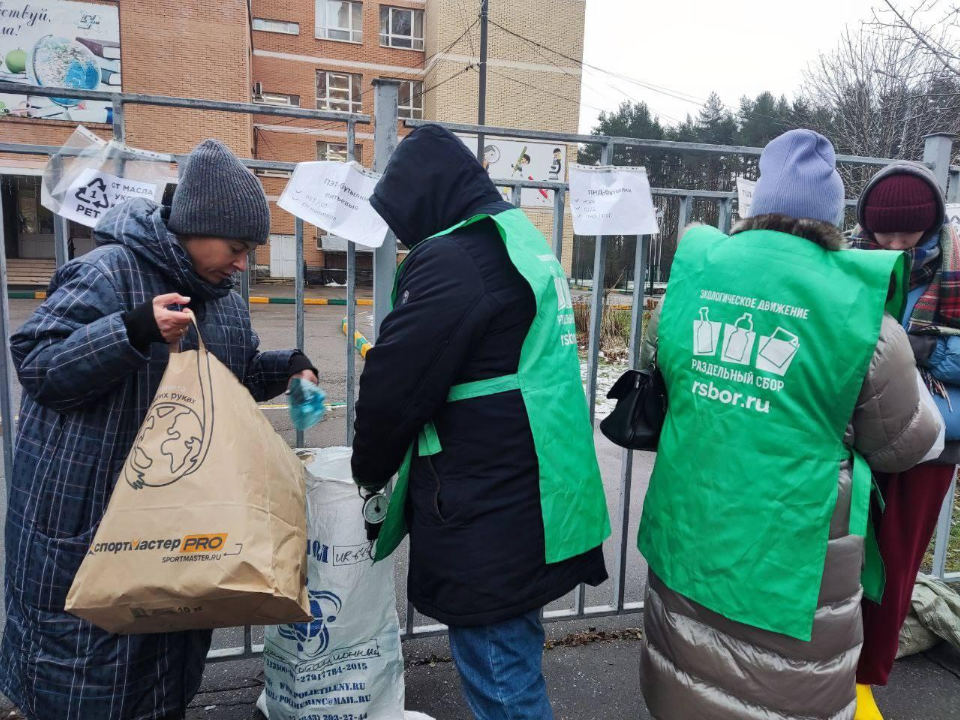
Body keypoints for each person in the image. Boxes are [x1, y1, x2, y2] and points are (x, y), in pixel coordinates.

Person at [0, 139, 318, 720]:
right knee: (85, 688)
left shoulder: (220, 298)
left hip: (175, 525)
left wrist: (293, 366)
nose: (244, 262)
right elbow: (40, 364)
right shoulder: (109, 270)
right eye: (238, 247)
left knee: (159, 680)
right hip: (87, 520)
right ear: (196, 226)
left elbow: (234, 374)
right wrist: (134, 329)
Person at [637, 129, 939, 720]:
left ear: (755, 207)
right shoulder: (860, 318)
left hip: (692, 535)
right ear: (831, 218)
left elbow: (663, 370)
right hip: (791, 565)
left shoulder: (695, 280)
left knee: (687, 683)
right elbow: (909, 443)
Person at [350, 125, 610, 719]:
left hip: (488, 509)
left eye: (402, 218)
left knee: (502, 682)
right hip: (534, 496)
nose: (403, 234)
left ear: (425, 197)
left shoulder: (455, 258)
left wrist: (368, 469)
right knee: (513, 656)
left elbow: (397, 384)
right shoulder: (516, 238)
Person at [847, 162, 959, 720]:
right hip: (859, 434)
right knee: (842, 562)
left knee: (892, 567)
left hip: (932, 444)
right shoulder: (852, 257)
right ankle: (834, 669)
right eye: (883, 232)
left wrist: (920, 350)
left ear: (931, 222)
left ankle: (866, 682)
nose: (895, 243)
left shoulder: (957, 267)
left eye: (908, 232)